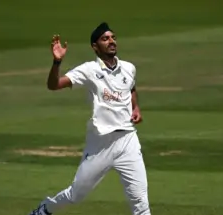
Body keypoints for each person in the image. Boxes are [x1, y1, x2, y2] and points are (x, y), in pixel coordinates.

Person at [29, 22, 151, 215]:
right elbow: (54, 85)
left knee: (140, 201)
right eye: (105, 39)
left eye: (113, 37)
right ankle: (45, 209)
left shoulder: (129, 68)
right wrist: (57, 62)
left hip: (128, 140)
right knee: (76, 195)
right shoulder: (88, 70)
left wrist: (135, 107)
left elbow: (131, 88)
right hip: (100, 143)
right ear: (95, 46)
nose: (111, 41)